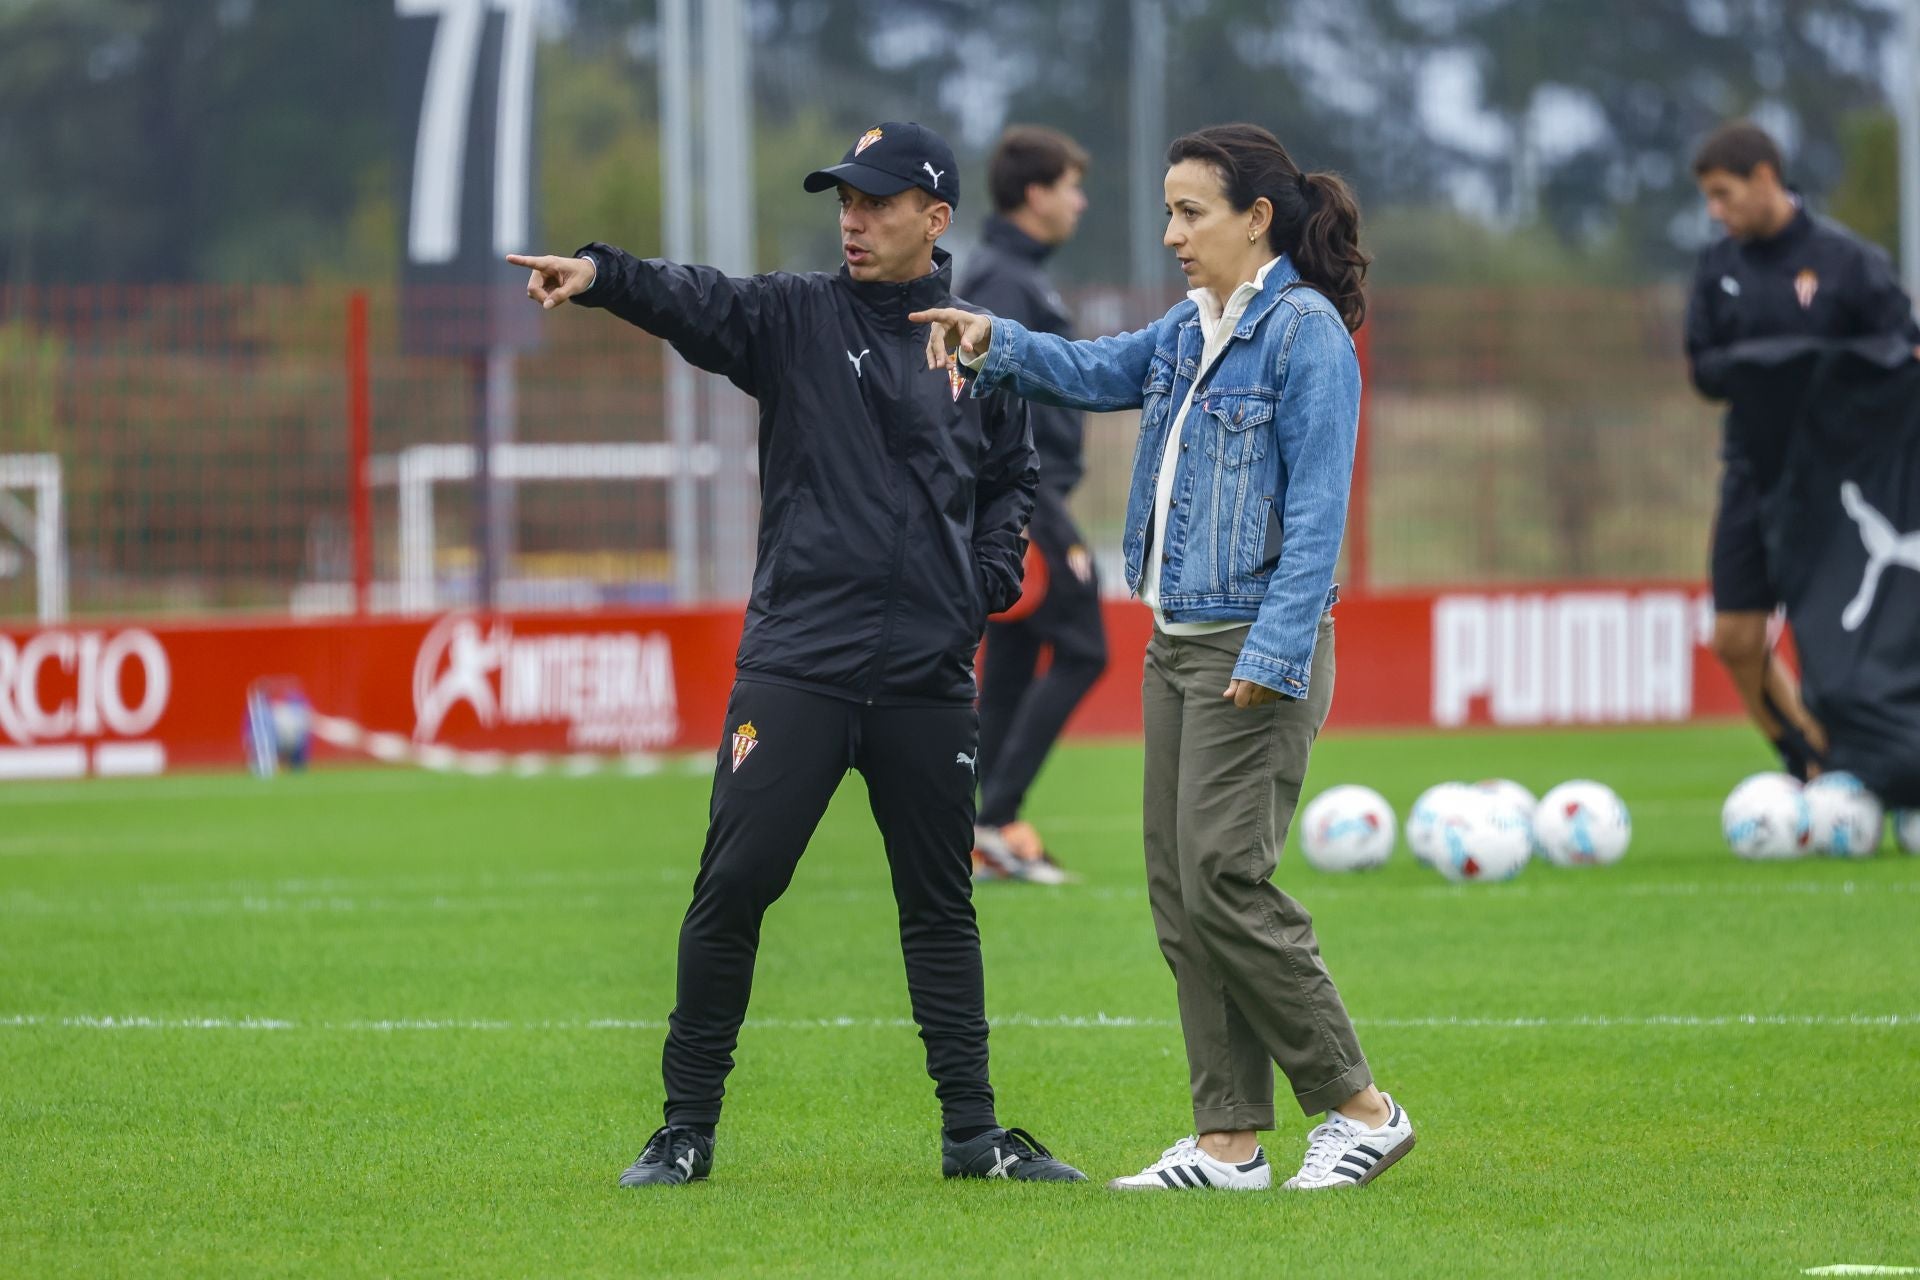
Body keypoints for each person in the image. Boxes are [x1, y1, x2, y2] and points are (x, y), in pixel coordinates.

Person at [507, 120, 1085, 1188]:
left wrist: (985, 580)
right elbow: (696, 298)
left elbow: (1015, 477)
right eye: (844, 202)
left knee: (940, 908)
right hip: (798, 663)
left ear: (935, 218)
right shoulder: (794, 317)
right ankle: (685, 1131)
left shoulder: (979, 344)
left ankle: (973, 1138)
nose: (852, 221)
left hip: (926, 676)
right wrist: (599, 275)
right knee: (734, 885)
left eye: (875, 203)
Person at [914, 123, 1415, 1192]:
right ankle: (1228, 1141)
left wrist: (1277, 648)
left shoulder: (1306, 333)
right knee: (1182, 895)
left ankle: (1361, 1109)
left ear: (1256, 219)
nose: (1172, 234)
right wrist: (992, 340)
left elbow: (1318, 514)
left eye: (1191, 213)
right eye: (1169, 213)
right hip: (1176, 644)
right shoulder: (1192, 327)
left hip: (1251, 650)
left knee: (1225, 878)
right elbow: (1095, 368)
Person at [1685, 119, 1920, 778]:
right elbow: (1705, 370)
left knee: (1838, 644)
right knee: (1735, 639)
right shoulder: (1718, 268)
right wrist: (1774, 363)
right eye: (1709, 198)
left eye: (1724, 193)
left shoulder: (1848, 262)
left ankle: (1849, 773)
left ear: (1765, 177)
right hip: (1753, 471)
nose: (1716, 211)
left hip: (1842, 485)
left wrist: (1810, 366)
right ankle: (1811, 764)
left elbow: (1904, 351)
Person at [958, 125, 1107, 884]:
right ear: (1034, 193)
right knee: (1086, 646)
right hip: (1027, 494)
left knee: (1013, 666)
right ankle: (996, 817)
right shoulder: (1002, 283)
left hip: (1031, 492)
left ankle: (978, 831)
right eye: (1071, 187)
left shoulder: (1020, 276)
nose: (1081, 203)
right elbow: (975, 391)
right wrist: (1010, 501)